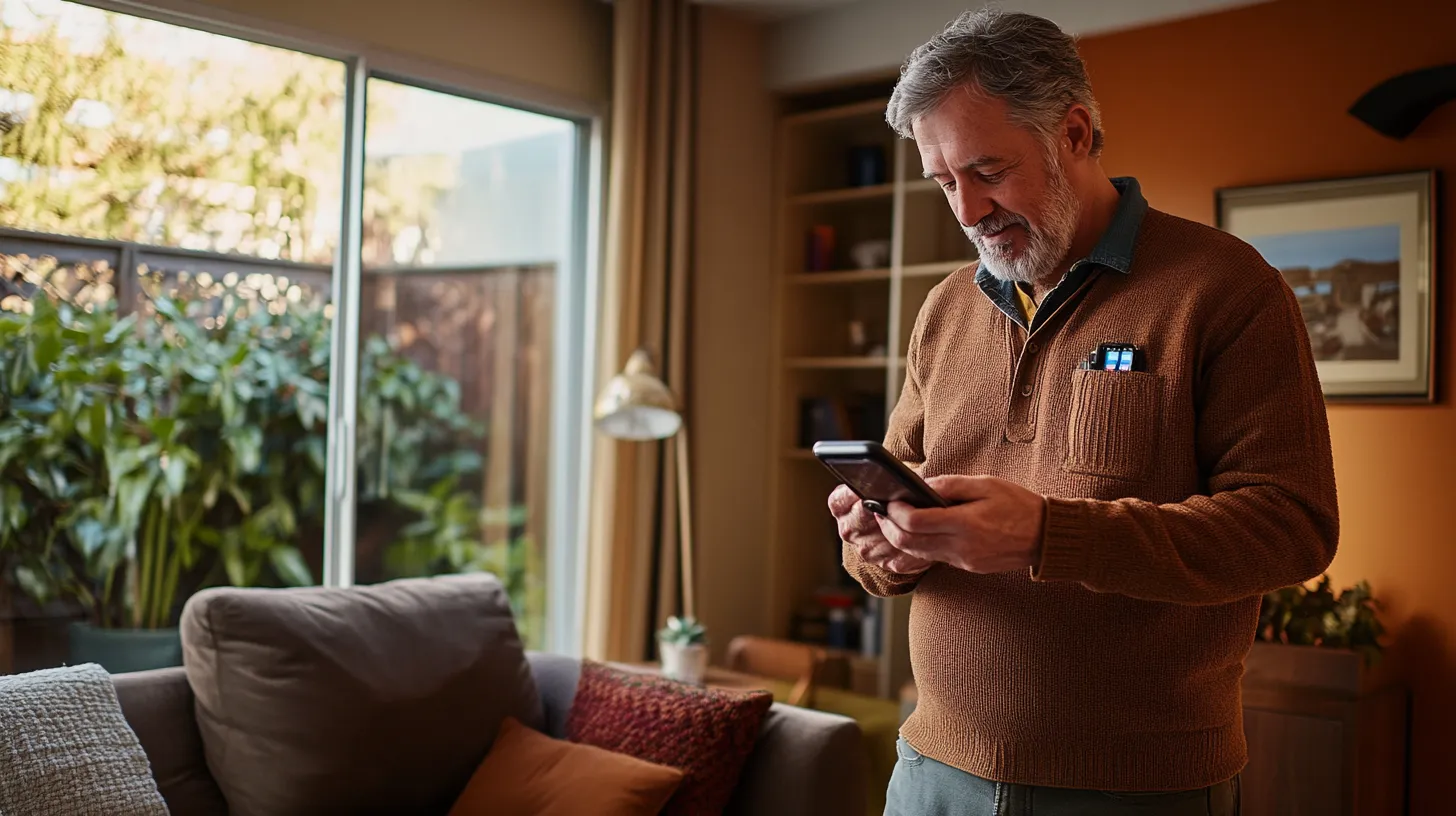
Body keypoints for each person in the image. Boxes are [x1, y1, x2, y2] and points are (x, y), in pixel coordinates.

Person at [828, 9, 1338, 815]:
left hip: (1137, 789)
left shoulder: (1227, 288)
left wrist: (1044, 535)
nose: (966, 210)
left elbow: (1291, 527)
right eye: (943, 180)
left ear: (1073, 132)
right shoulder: (944, 310)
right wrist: (881, 543)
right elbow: (883, 529)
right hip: (931, 772)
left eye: (989, 169)